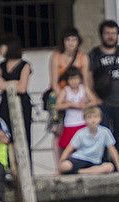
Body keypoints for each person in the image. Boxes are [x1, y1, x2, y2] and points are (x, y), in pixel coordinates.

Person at [88, 19, 119, 162]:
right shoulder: (95, 54)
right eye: (107, 33)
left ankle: (118, 166)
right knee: (100, 137)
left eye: (113, 33)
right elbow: (89, 77)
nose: (110, 36)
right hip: (102, 103)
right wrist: (94, 98)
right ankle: (102, 166)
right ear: (101, 35)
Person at [47, 27, 89, 168]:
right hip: (60, 96)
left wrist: (81, 98)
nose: (71, 43)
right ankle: (58, 164)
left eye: (74, 39)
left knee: (80, 132)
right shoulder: (56, 57)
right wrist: (64, 97)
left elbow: (85, 81)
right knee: (57, 132)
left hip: (78, 98)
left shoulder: (83, 58)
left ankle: (77, 163)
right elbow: (54, 82)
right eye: (68, 40)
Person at [0, 36, 34, 164]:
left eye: (2, 46)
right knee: (5, 133)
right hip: (5, 103)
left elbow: (22, 88)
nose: (0, 49)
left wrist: (6, 83)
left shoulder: (24, 65)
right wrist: (14, 83)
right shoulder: (1, 65)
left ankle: (25, 166)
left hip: (22, 104)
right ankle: (8, 166)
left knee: (24, 135)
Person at [57, 106, 119, 175]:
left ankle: (79, 172)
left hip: (95, 161)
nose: (93, 120)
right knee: (64, 166)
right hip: (80, 158)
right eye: (89, 117)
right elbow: (68, 149)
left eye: (95, 117)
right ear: (85, 119)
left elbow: (112, 150)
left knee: (109, 167)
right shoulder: (80, 133)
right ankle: (89, 171)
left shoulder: (105, 131)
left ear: (100, 118)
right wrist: (60, 166)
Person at [55, 68, 97, 161]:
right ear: (67, 80)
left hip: (83, 122)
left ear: (80, 79)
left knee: (84, 145)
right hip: (70, 123)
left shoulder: (84, 89)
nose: (74, 81)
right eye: (71, 79)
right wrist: (70, 104)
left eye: (76, 79)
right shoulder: (65, 90)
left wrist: (85, 105)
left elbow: (94, 101)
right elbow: (57, 106)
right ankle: (64, 164)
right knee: (68, 147)